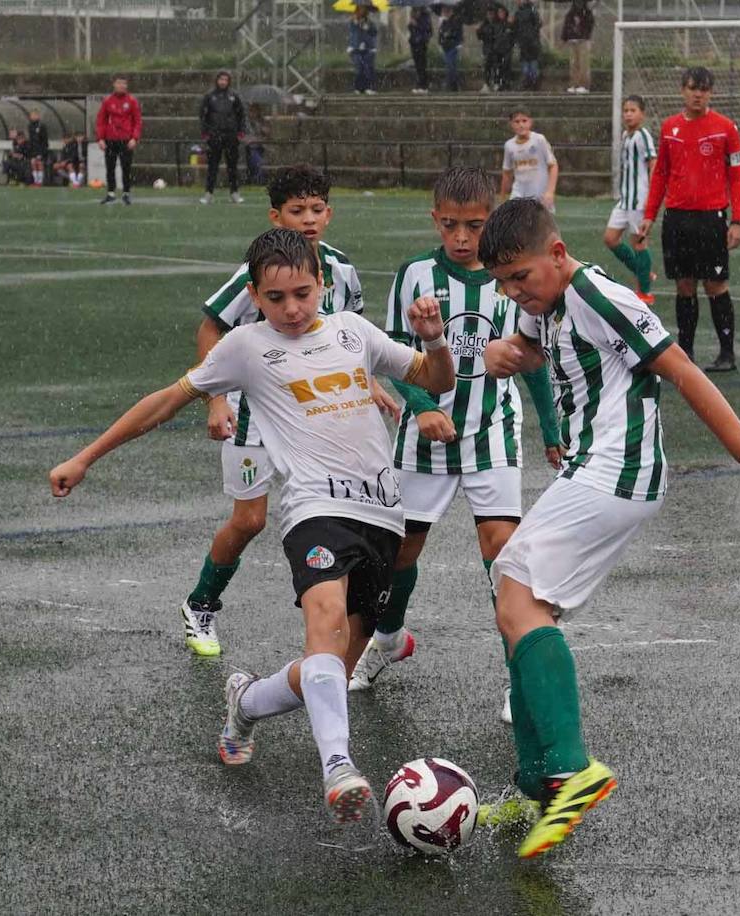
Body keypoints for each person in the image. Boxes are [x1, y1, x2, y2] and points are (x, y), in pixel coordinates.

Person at [48, 228, 456, 823]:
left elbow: (437, 381)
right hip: (314, 508)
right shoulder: (244, 347)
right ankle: (338, 766)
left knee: (332, 674)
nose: (291, 308)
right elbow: (166, 400)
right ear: (254, 294)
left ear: (321, 281)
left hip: (382, 513)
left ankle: (245, 702)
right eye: (275, 297)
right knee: (324, 624)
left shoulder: (353, 332)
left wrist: (435, 340)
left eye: (302, 292)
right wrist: (85, 457)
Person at [477, 197, 740, 858]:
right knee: (513, 597)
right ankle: (535, 785)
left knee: (521, 596)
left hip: (619, 469)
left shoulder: (597, 293)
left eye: (521, 276)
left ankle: (571, 767)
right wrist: (511, 350)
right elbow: (544, 343)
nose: (513, 291)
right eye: (502, 283)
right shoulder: (549, 305)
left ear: (557, 253)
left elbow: (679, 368)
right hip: (592, 468)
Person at [347, 167, 562, 707]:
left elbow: (528, 357)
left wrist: (552, 429)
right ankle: (389, 638)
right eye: (450, 225)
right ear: (434, 220)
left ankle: (521, 677)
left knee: (503, 554)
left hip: (491, 432)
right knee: (400, 551)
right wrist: (419, 408)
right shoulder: (415, 274)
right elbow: (392, 355)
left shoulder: (509, 275)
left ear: (492, 219)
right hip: (424, 439)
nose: (462, 237)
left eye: (474, 225)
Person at [184, 164, 400, 657]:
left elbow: (351, 340)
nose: (308, 219)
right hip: (255, 416)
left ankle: (338, 632)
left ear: (330, 212)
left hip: (319, 420)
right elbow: (210, 329)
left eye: (317, 209)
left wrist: (370, 386)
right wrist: (216, 399)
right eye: (296, 210)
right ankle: (202, 604)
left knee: (343, 513)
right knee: (249, 521)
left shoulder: (339, 269)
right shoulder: (256, 272)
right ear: (275, 216)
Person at [637, 66, 740, 373]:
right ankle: (686, 353)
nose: (698, 94)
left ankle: (727, 353)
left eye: (704, 89)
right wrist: (649, 215)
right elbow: (660, 175)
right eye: (693, 88)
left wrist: (737, 220)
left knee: (715, 285)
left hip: (711, 219)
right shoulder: (670, 128)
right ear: (682, 91)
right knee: (684, 286)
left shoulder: (725, 128)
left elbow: (736, 177)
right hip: (677, 220)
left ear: (710, 93)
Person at [604, 95, 657, 305]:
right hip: (625, 200)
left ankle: (645, 292)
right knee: (610, 238)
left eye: (633, 110)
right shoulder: (626, 135)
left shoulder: (643, 135)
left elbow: (653, 162)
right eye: (625, 110)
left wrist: (652, 196)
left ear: (642, 114)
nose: (628, 114)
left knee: (639, 243)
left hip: (639, 199)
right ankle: (644, 273)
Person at [199, 70, 247, 205]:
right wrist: (205, 133)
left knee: (232, 167)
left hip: (231, 136)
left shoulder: (234, 96)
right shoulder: (209, 96)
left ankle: (234, 193)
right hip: (214, 137)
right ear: (217, 80)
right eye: (221, 79)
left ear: (229, 81)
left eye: (226, 80)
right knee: (212, 166)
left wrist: (240, 133)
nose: (223, 82)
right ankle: (208, 193)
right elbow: (203, 116)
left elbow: (241, 115)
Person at [96, 75, 142, 205]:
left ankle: (126, 193)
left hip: (126, 140)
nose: (121, 86)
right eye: (119, 83)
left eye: (124, 83)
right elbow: (101, 121)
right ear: (114, 85)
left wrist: (134, 137)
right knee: (110, 167)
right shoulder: (107, 101)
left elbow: (137, 121)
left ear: (126, 86)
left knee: (126, 167)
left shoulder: (132, 101)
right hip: (110, 139)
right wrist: (100, 138)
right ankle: (110, 193)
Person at [501, 109, 558, 211]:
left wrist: (550, 192)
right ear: (511, 124)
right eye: (517, 122)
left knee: (541, 225)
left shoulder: (539, 140)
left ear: (530, 122)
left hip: (540, 194)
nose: (521, 125)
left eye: (524, 121)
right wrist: (503, 197)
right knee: (513, 223)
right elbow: (507, 173)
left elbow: (553, 166)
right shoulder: (509, 145)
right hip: (518, 194)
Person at [561, 0, 593, 94]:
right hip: (573, 40)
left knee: (583, 64)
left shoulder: (587, 13)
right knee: (574, 64)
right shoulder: (570, 14)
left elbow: (589, 26)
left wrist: (584, 35)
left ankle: (584, 85)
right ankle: (574, 84)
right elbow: (566, 26)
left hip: (583, 41)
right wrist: (565, 38)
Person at [348, 5, 379, 96]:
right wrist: (357, 23)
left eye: (364, 9)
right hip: (356, 48)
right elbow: (353, 32)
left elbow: (374, 32)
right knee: (358, 68)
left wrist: (367, 27)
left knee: (368, 68)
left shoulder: (369, 22)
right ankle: (358, 88)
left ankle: (368, 87)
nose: (363, 11)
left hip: (368, 48)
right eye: (361, 9)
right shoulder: (353, 21)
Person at [513, 0, 542, 91]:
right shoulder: (519, 12)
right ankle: (529, 82)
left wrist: (531, 35)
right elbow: (516, 27)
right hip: (525, 43)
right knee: (527, 64)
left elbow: (537, 24)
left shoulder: (531, 10)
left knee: (532, 64)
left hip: (530, 42)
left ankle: (532, 83)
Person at [439, 5, 465, 93]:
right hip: (445, 47)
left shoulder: (456, 20)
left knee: (450, 64)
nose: (444, 13)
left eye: (446, 11)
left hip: (453, 46)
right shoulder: (443, 22)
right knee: (451, 66)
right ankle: (455, 85)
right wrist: (441, 41)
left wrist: (449, 34)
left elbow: (457, 33)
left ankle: (450, 84)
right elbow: (441, 35)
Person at [408, 6, 432, 94]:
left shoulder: (425, 16)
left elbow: (427, 30)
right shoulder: (413, 15)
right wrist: (411, 24)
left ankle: (424, 85)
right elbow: (411, 29)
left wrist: (416, 24)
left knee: (422, 65)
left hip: (421, 43)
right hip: (414, 43)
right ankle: (419, 84)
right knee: (417, 65)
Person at [25, 109, 49, 187]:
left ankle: (40, 181)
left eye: (34, 115)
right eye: (31, 115)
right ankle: (36, 181)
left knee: (39, 163)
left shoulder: (42, 126)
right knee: (33, 164)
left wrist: (42, 152)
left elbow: (44, 140)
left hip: (40, 149)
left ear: (38, 116)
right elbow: (30, 139)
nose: (32, 117)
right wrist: (30, 150)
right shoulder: (30, 126)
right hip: (32, 149)